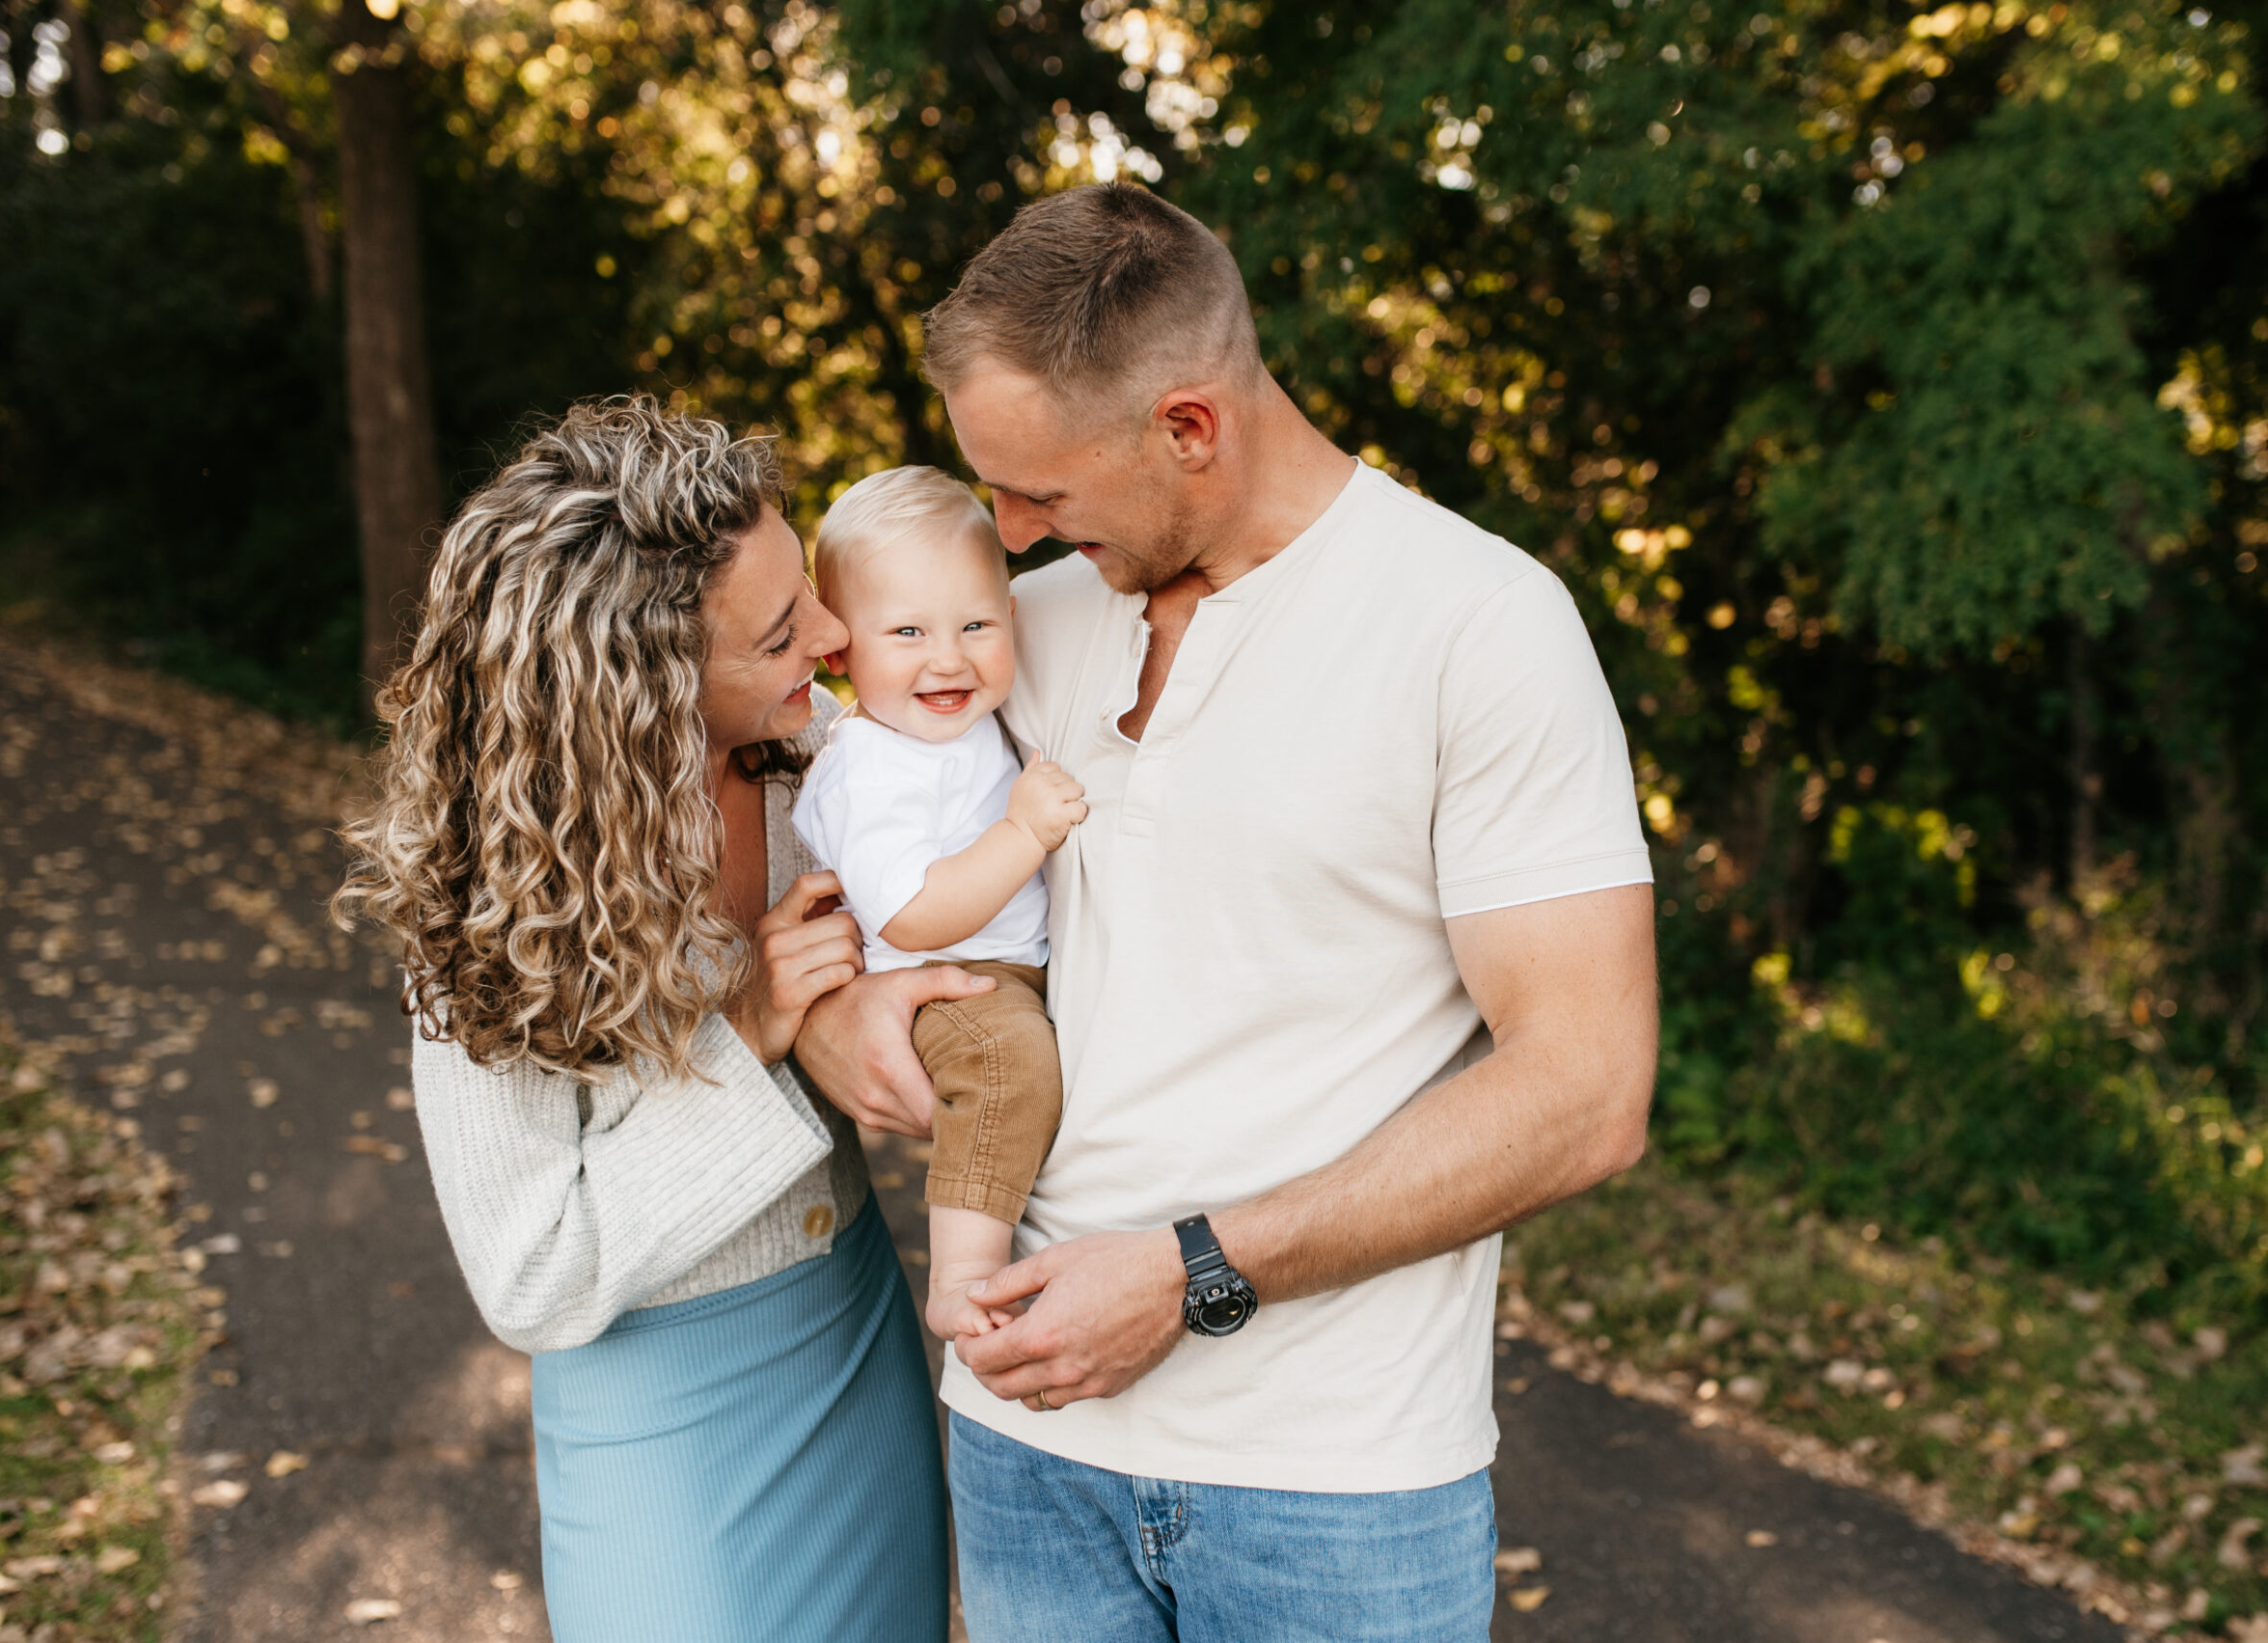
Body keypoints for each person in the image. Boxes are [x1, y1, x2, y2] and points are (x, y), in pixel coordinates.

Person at [798, 183, 1662, 1640]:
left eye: (1041, 495)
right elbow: (839, 845)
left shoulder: (1482, 626)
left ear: (1188, 428)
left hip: (1335, 1490)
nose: (1003, 535)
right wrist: (839, 1010)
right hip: (1027, 1447)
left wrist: (1192, 1271)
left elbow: (1587, 1090)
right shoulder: (1017, 635)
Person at [333, 397, 960, 1643]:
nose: (836, 637)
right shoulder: (489, 887)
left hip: (854, 1335)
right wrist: (754, 1027)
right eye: (784, 630)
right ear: (645, 685)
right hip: (659, 1419)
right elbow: (528, 1269)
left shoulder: (822, 755)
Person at [791, 466, 1087, 1342]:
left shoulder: (964, 723)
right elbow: (912, 910)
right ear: (841, 652)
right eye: (909, 630)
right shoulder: (870, 766)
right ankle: (962, 1276)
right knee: (1009, 1070)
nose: (948, 656)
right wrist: (1024, 834)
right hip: (940, 976)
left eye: (975, 625)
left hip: (995, 963)